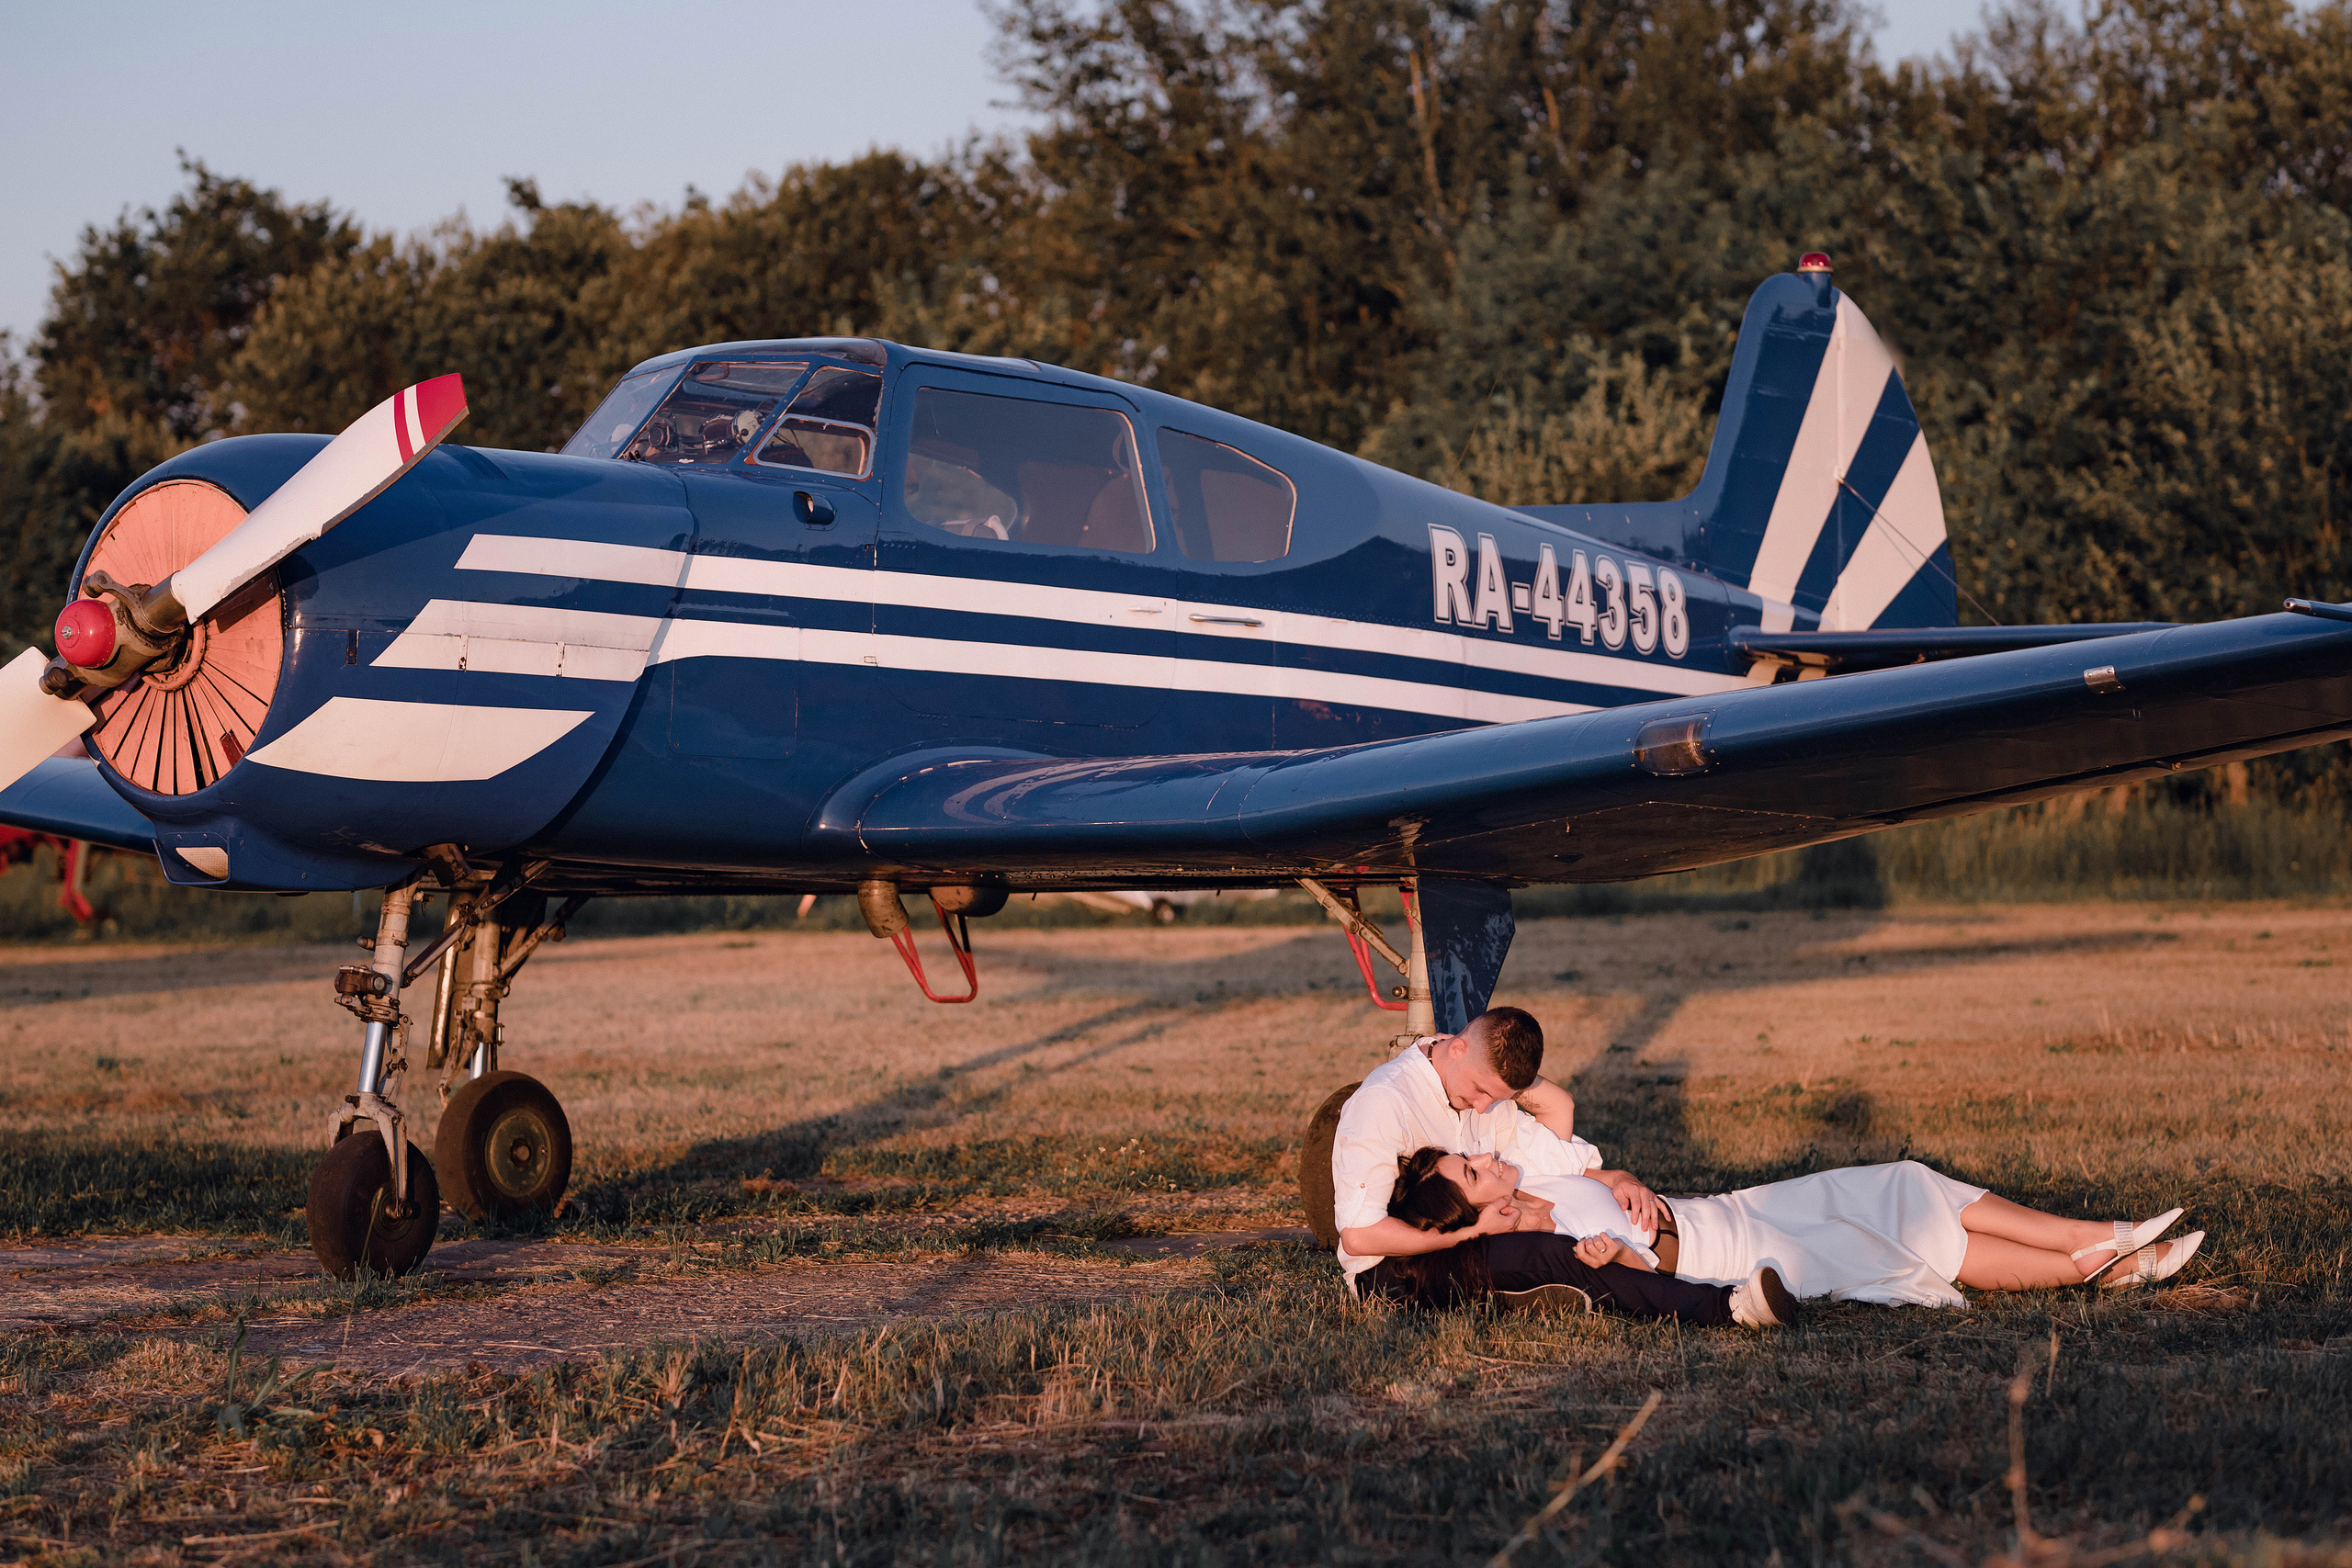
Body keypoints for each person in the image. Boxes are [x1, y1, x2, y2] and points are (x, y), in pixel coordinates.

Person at [1330, 1008, 1796, 1327]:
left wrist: (1609, 1177)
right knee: (1552, 1254)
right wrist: (1469, 1234)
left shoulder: (1475, 1089)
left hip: (1465, 1232)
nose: (1483, 1105)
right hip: (1391, 1272)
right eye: (1479, 1090)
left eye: (1497, 1097)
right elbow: (1358, 1236)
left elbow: (1542, 1147)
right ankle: (1728, 1308)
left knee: (1550, 1239)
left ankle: (1572, 1286)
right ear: (1455, 1048)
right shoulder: (1382, 1102)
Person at [1391, 1149, 2205, 1307]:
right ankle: (2097, 1259)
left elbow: (1582, 1144)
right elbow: (1628, 1277)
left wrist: (1626, 1180)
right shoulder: (1535, 1249)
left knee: (1901, 1182)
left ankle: (2094, 1236)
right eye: (1471, 1168)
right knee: (1905, 1247)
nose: (1485, 1152)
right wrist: (1610, 1250)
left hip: (1738, 1206)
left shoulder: (1542, 1175)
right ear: (1472, 1209)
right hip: (1737, 1251)